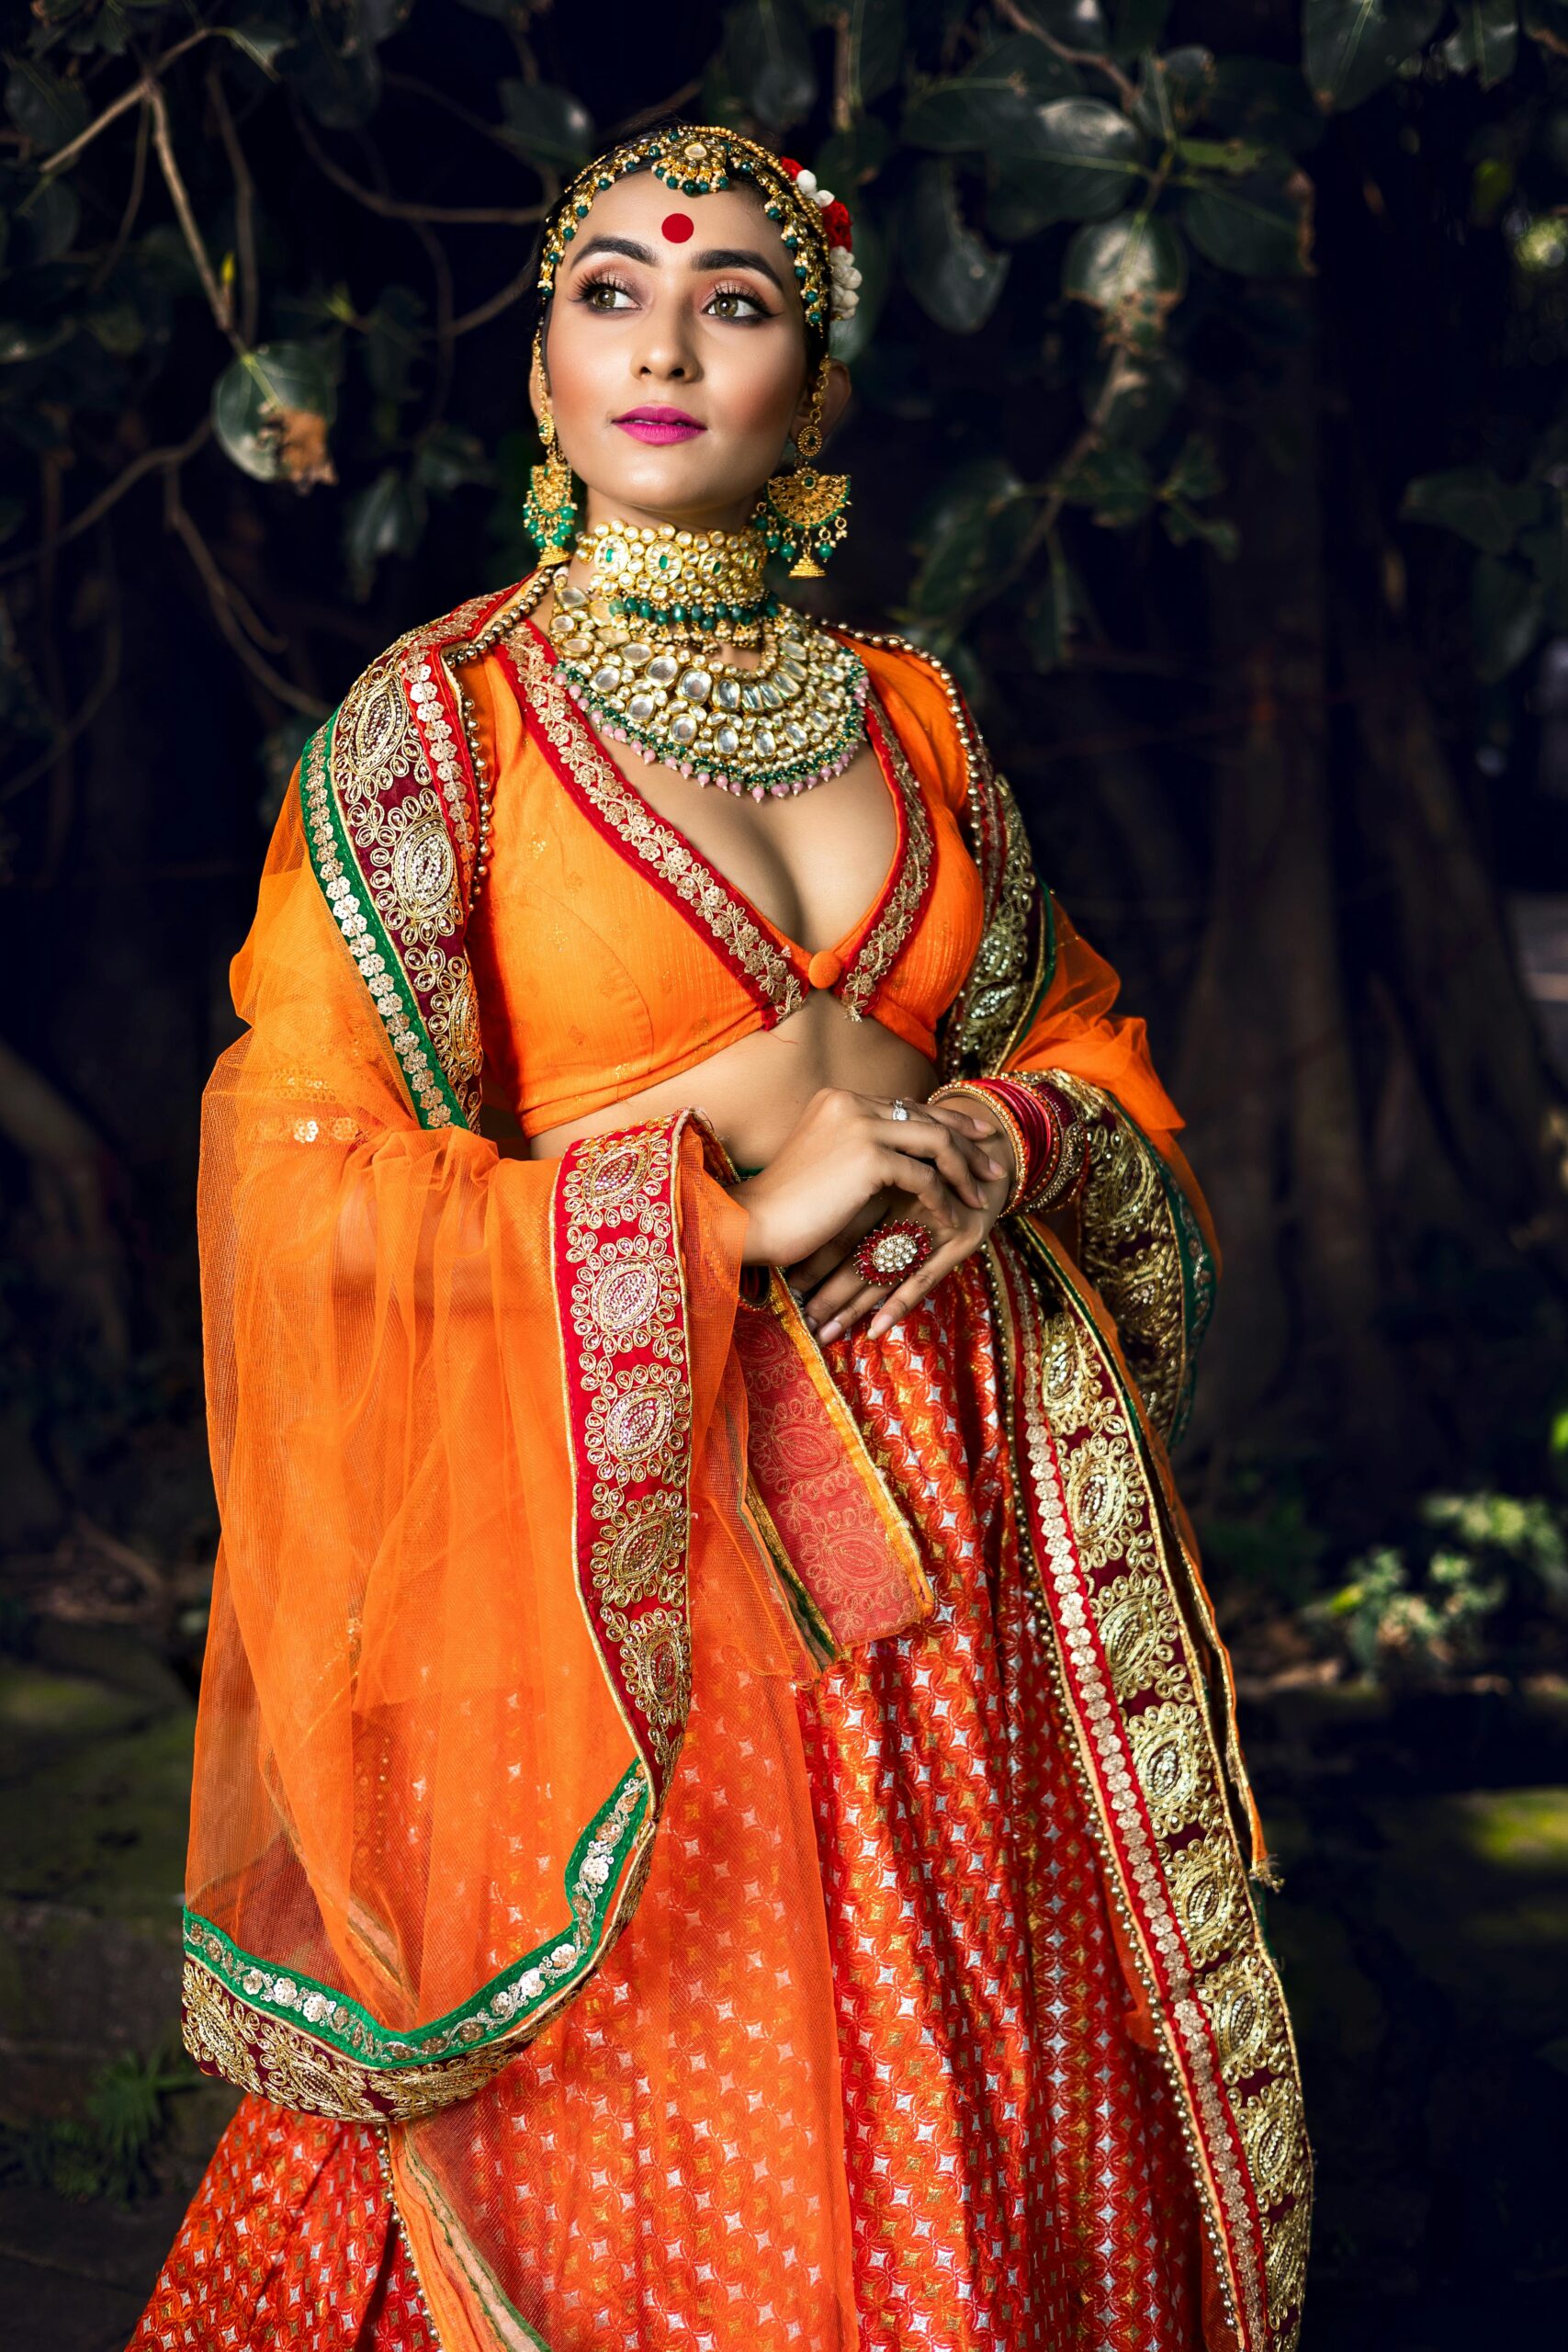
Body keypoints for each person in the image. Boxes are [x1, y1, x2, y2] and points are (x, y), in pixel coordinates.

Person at [130, 124, 1308, 2352]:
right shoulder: (440, 731)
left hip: (969, 1558)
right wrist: (727, 1205)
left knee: (972, 2092)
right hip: (630, 1558)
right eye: (611, 290)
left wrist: (997, 1137)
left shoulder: (917, 713)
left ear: (819, 394)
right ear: (546, 367)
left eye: (739, 300)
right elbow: (292, 1177)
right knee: (680, 2122)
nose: (666, 338)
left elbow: (1082, 1043)